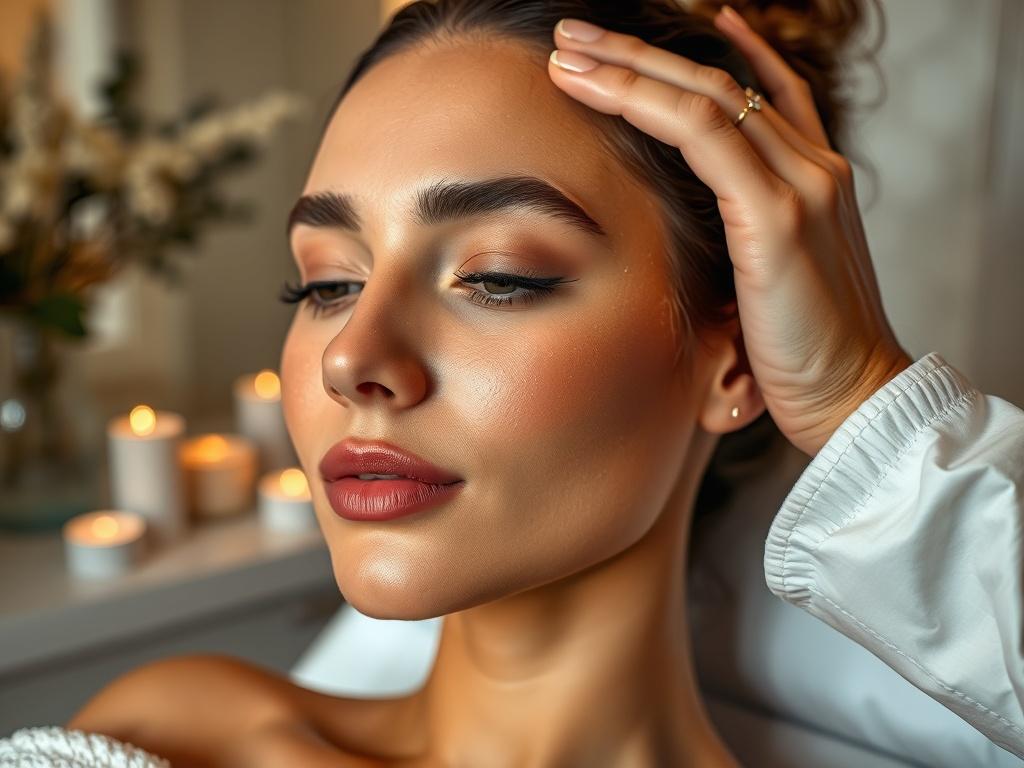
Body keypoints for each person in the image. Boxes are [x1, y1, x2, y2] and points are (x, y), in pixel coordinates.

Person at [22, 0, 1017, 765]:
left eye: (498, 277)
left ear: (737, 358)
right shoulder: (172, 736)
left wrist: (855, 393)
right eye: (327, 283)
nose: (349, 359)